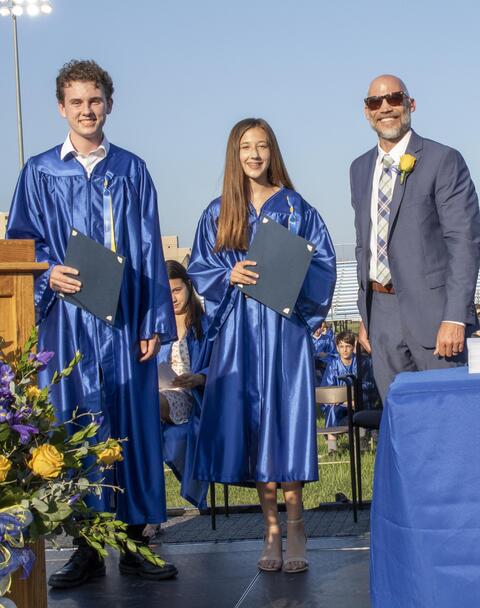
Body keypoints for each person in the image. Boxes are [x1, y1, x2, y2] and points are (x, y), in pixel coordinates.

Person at [6, 60, 178, 587]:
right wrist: (46, 275)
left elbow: (150, 249)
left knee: (130, 426)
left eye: (95, 99)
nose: (87, 109)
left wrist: (153, 320)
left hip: (124, 322)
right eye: (76, 101)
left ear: (109, 103)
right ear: (62, 107)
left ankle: (135, 543)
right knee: (74, 424)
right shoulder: (39, 172)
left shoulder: (131, 169)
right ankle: (83, 547)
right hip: (67, 324)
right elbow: (22, 244)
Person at [188, 118, 336, 573]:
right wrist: (225, 275)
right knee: (254, 431)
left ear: (273, 152)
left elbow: (323, 265)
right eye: (245, 146)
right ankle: (270, 528)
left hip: (284, 331)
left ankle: (296, 525)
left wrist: (296, 289)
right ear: (234, 154)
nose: (254, 154)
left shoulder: (296, 208)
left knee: (284, 428)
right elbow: (199, 267)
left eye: (263, 145)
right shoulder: (218, 211)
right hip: (239, 333)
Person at [351, 74, 480, 401]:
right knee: (399, 420)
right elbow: (363, 245)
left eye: (394, 98)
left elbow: (464, 242)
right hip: (381, 316)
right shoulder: (359, 168)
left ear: (411, 104)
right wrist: (365, 315)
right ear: (366, 112)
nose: (385, 108)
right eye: (374, 102)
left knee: (445, 419)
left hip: (435, 317)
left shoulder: (443, 160)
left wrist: (455, 316)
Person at [158, 260, 210, 511]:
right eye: (167, 293)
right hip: (160, 392)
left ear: (189, 286)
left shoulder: (205, 325)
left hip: (192, 398)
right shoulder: (155, 326)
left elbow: (223, 363)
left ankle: (149, 514)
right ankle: (148, 512)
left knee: (149, 407)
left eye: (177, 290)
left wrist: (200, 377)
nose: (173, 298)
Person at [320, 331, 375, 452]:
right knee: (331, 409)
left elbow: (369, 384)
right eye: (341, 347)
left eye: (347, 346)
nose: (344, 350)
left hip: (358, 400)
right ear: (337, 347)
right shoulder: (333, 365)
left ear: (353, 347)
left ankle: (362, 439)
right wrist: (336, 399)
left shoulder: (362, 362)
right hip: (340, 404)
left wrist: (354, 397)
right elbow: (328, 387)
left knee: (362, 404)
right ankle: (332, 448)